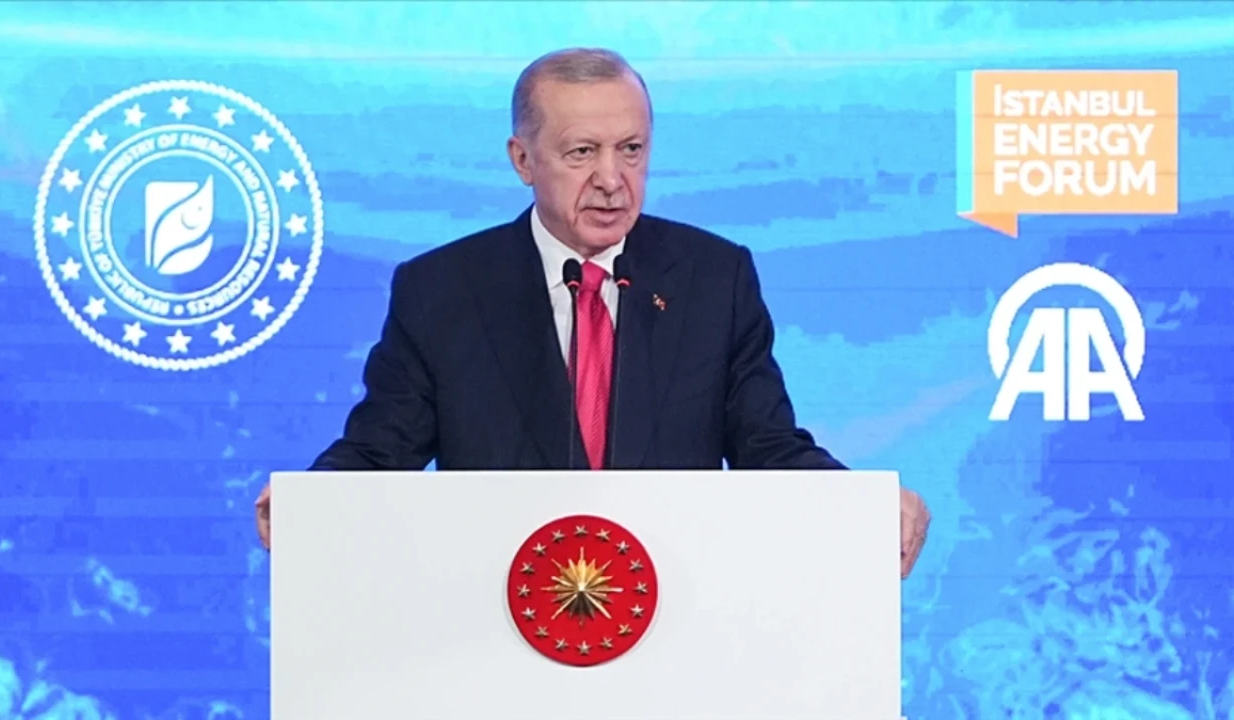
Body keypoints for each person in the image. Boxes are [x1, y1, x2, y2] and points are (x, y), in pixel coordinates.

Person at [255, 47, 930, 577]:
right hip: (494, 616)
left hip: (674, 612)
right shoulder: (442, 290)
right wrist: (312, 501)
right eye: (582, 152)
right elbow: (382, 450)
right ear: (523, 160)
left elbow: (768, 446)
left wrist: (861, 505)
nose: (612, 179)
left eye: (631, 150)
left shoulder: (712, 278)